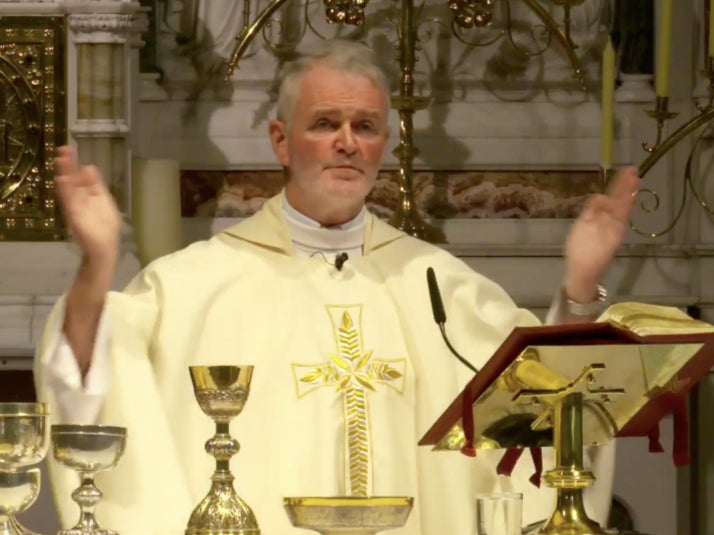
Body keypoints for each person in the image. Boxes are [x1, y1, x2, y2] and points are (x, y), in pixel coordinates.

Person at [35, 40, 639, 535]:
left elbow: (546, 404)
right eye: (326, 124)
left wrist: (580, 281)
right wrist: (98, 263)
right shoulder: (195, 283)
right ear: (280, 141)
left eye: (366, 126)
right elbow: (91, 379)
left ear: (385, 146)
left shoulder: (438, 285)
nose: (347, 142)